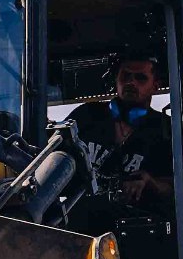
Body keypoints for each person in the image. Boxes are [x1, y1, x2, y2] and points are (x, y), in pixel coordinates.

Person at [70, 52, 175, 213]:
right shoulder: (86, 116)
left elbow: (179, 189)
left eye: (140, 78)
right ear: (116, 80)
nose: (131, 82)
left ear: (155, 86)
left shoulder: (166, 130)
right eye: (126, 76)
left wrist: (150, 183)